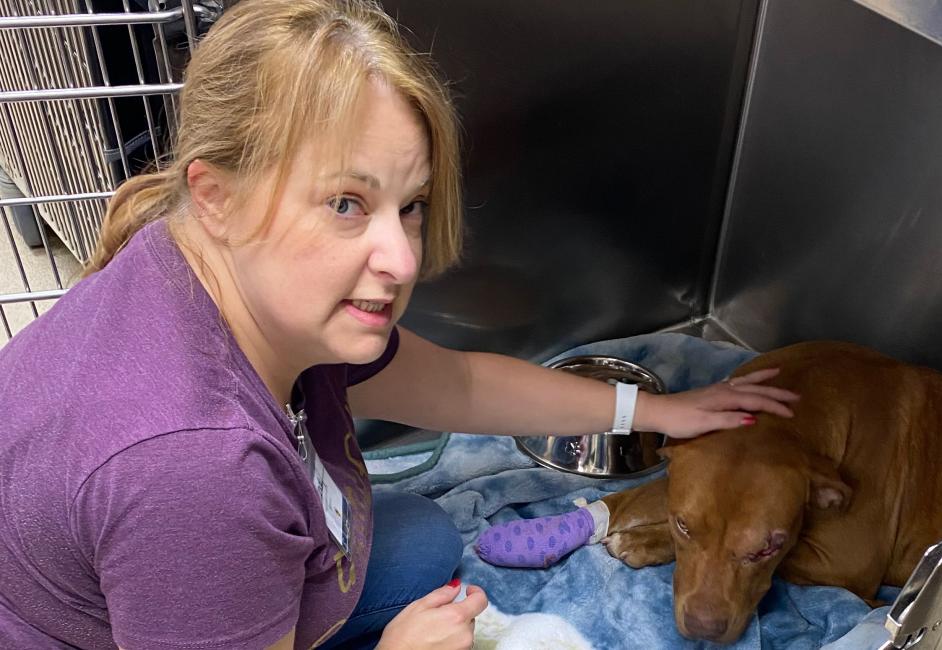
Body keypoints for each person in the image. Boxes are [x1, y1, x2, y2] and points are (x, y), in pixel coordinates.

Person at [0, 1, 799, 648]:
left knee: (420, 540)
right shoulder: (195, 472)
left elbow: (458, 383)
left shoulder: (206, 264)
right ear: (216, 194)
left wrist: (657, 413)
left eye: (409, 205)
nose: (403, 259)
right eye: (347, 202)